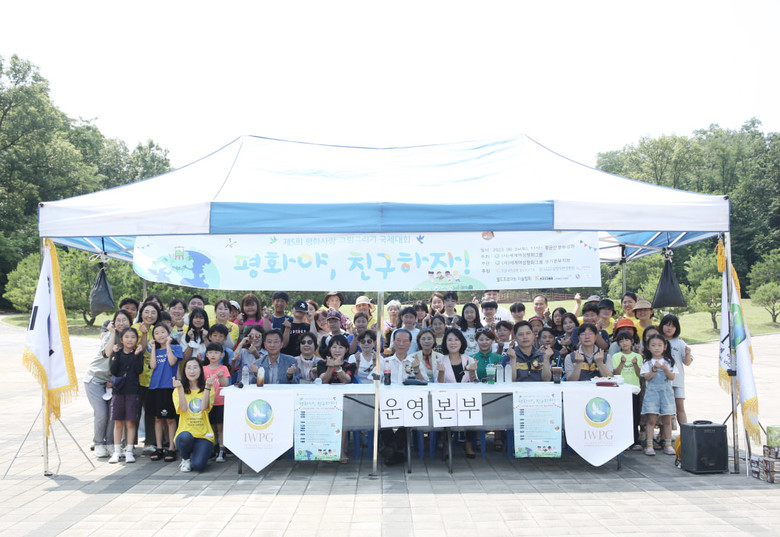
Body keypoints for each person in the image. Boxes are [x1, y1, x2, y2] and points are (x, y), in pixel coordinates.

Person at [85, 310, 133, 459]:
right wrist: (112, 333)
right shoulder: (109, 336)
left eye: (124, 320)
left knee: (113, 414)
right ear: (113, 322)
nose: (121, 323)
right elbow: (107, 353)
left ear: (130, 323)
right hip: (95, 379)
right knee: (101, 413)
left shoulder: (130, 337)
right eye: (118, 320)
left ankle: (111, 443)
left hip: (112, 382)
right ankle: (99, 443)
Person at [380, 329, 426, 465]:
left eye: (405, 341)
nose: (401, 344)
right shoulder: (384, 361)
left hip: (409, 403)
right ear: (393, 342)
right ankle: (397, 451)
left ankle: (391, 449)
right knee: (382, 417)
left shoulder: (415, 361)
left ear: (410, 343)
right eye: (398, 340)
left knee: (409, 418)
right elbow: (373, 379)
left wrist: (416, 370)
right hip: (387, 402)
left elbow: (425, 382)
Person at [435, 329, 478, 458]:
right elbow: (438, 385)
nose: (453, 343)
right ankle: (447, 443)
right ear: (445, 343)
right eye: (449, 340)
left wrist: (472, 372)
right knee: (446, 410)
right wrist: (441, 372)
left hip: (466, 398)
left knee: (473, 408)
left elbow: (475, 382)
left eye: (456, 340)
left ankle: (468, 443)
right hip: (446, 398)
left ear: (462, 342)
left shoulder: (469, 360)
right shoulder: (440, 360)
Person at [107, 327, 145, 464]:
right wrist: (116, 354)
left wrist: (136, 355)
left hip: (132, 391)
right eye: (127, 337)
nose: (130, 340)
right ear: (121, 340)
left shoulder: (138, 353)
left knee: (130, 422)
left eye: (133, 337)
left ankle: (129, 450)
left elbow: (138, 370)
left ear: (137, 340)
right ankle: (117, 451)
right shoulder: (117, 352)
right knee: (118, 422)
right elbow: (113, 370)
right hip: (118, 392)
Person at [173, 357, 216, 472]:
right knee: (185, 437)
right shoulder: (178, 390)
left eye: (195, 368)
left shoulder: (209, 388)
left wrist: (207, 387)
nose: (192, 371)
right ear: (184, 371)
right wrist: (180, 389)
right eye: (189, 368)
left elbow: (204, 408)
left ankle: (199, 453)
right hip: (185, 433)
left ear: (201, 370)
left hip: (203, 435)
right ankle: (185, 459)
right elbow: (183, 409)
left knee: (198, 466)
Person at [148, 323, 183, 463]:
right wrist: (153, 348)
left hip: (170, 387)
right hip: (156, 387)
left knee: (170, 419)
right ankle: (159, 447)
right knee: (158, 418)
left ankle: (172, 448)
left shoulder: (176, 348)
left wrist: (168, 345)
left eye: (163, 332)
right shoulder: (154, 350)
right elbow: (152, 365)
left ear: (168, 333)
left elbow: (172, 362)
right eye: (156, 333)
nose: (160, 335)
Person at [640, 333, 676, 456]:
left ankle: (668, 444)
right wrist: (654, 369)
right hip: (652, 393)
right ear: (648, 347)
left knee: (667, 420)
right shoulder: (646, 362)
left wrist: (665, 369)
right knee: (651, 420)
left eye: (660, 345)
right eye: (653, 345)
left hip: (666, 393)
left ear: (665, 347)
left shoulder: (669, 362)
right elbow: (647, 377)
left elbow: (672, 377)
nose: (656, 348)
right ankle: (649, 445)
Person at [659, 314, 693, 425]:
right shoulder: (657, 341)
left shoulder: (680, 343)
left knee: (680, 408)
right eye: (667, 325)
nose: (669, 328)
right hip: (661, 380)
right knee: (664, 409)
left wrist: (687, 354)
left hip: (677, 380)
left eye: (673, 326)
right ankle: (664, 433)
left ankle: (685, 432)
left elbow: (687, 362)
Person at [612, 329, 643, 450]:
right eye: (621, 341)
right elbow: (616, 373)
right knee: (622, 416)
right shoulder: (616, 356)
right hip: (621, 390)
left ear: (632, 341)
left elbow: (639, 374)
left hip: (634, 390)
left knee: (634, 415)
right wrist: (622, 363)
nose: (624, 343)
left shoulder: (638, 356)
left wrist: (635, 364)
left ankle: (635, 440)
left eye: (627, 340)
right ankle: (623, 441)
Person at [203, 342, 230, 462]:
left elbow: (225, 385)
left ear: (221, 354)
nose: (213, 355)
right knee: (211, 426)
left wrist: (220, 377)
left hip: (221, 402)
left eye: (216, 352)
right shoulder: (203, 369)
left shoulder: (223, 368)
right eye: (210, 352)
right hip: (209, 403)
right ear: (206, 355)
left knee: (221, 427)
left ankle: (222, 449)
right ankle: (213, 448)